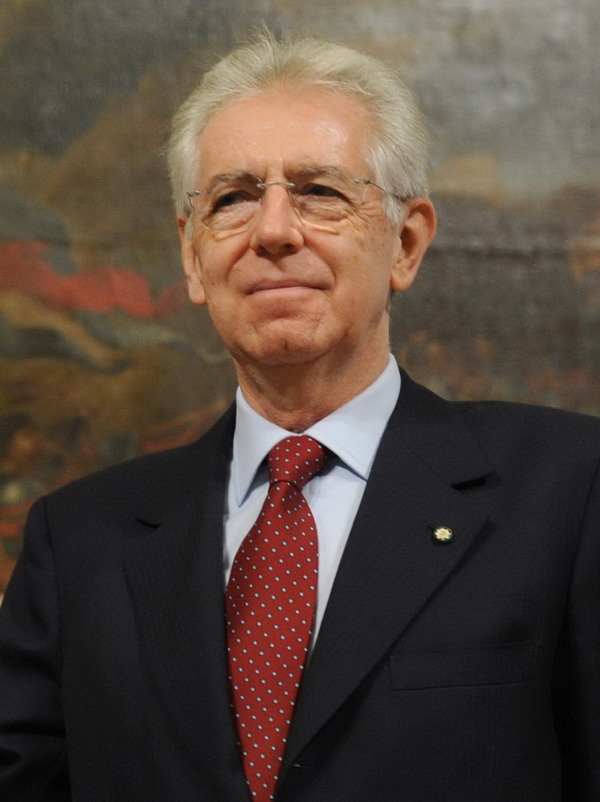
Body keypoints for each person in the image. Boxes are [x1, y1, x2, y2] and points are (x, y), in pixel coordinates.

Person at [0, 32, 599, 802]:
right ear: (191, 254)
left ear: (406, 243)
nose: (273, 230)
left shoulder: (569, 492)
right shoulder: (76, 543)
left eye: (319, 191)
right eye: (233, 198)